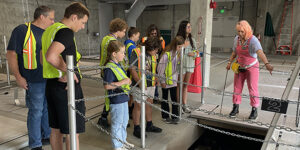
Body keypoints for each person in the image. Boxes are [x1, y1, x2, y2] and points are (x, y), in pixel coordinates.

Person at [41, 2, 89, 150]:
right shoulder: (66, 32)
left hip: (52, 84)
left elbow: (44, 59)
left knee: (56, 129)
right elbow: (50, 56)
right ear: (74, 17)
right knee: (72, 132)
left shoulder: (49, 30)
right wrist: (69, 73)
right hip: (66, 87)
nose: (82, 27)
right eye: (82, 23)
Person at [6, 6, 54, 150]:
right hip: (33, 80)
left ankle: (46, 136)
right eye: (51, 18)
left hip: (47, 78)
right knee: (36, 111)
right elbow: (11, 54)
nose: (53, 21)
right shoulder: (22, 30)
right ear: (42, 17)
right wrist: (18, 76)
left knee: (46, 109)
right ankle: (35, 144)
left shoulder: (48, 33)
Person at [226, 20, 273, 120]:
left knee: (252, 88)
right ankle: (235, 107)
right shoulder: (236, 39)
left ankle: (254, 109)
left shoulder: (253, 40)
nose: (240, 33)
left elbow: (260, 52)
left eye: (242, 31)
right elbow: (234, 52)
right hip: (240, 66)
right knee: (237, 88)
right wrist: (229, 62)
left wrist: (267, 64)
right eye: (238, 31)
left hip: (252, 67)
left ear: (246, 30)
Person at [103, 40, 134, 150]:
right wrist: (123, 82)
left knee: (124, 122)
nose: (124, 55)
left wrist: (127, 81)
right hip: (116, 100)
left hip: (123, 98)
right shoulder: (109, 67)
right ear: (114, 54)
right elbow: (107, 86)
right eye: (122, 52)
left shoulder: (118, 65)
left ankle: (123, 141)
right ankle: (117, 146)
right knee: (117, 123)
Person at [129, 36, 162, 138]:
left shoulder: (153, 55)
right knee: (138, 106)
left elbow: (153, 67)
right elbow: (132, 69)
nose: (156, 52)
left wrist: (156, 78)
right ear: (151, 48)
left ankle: (149, 124)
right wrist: (140, 83)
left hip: (150, 84)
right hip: (139, 85)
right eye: (156, 50)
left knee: (149, 104)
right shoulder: (137, 52)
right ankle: (137, 128)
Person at [98, 18, 128, 128]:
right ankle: (108, 118)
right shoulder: (113, 42)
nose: (124, 34)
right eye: (123, 31)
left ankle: (104, 117)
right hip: (112, 69)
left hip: (104, 68)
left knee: (108, 95)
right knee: (112, 95)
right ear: (118, 30)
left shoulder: (105, 38)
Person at [157, 36, 185, 124]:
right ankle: (165, 116)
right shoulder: (166, 55)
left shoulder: (178, 54)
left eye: (182, 47)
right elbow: (160, 68)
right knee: (165, 98)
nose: (181, 49)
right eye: (180, 47)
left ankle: (175, 116)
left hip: (173, 81)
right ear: (175, 45)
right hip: (165, 81)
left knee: (174, 98)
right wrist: (162, 81)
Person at [176, 20, 198, 113]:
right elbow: (176, 52)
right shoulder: (178, 39)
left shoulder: (192, 39)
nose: (190, 28)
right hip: (181, 65)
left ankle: (184, 104)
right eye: (188, 27)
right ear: (183, 28)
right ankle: (178, 106)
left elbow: (197, 52)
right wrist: (184, 47)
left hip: (190, 65)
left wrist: (194, 54)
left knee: (185, 86)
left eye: (190, 26)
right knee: (179, 85)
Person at [141, 24, 165, 104]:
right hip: (147, 62)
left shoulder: (161, 40)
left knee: (156, 79)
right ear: (149, 33)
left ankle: (155, 97)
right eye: (152, 33)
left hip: (157, 62)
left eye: (155, 33)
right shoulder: (145, 39)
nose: (154, 35)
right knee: (149, 78)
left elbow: (162, 52)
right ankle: (149, 97)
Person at [124, 27, 140, 119]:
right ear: (133, 35)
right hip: (130, 72)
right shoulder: (132, 47)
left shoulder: (126, 44)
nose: (138, 38)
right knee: (131, 94)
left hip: (126, 71)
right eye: (137, 36)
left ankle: (129, 111)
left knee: (129, 93)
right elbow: (132, 62)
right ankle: (129, 112)